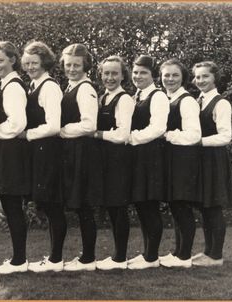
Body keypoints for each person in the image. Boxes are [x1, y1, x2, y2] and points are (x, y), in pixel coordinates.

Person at [0, 41, 31, 274]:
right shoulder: (6, 84)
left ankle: (19, 260)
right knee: (11, 207)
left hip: (11, 154)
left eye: (0, 60)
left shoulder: (13, 86)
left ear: (13, 60)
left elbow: (17, 123)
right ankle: (18, 259)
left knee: (13, 207)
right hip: (6, 152)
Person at [21, 41, 65, 273]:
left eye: (34, 63)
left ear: (44, 62)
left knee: (52, 205)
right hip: (37, 152)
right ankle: (54, 257)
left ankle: (56, 259)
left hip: (49, 152)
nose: (30, 67)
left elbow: (54, 126)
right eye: (26, 63)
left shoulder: (49, 87)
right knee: (47, 205)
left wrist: (26, 134)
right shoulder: (33, 84)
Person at [59, 43, 102, 272]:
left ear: (85, 65)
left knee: (84, 205)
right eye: (68, 65)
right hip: (72, 152)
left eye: (77, 65)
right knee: (79, 206)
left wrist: (62, 131)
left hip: (82, 153)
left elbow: (89, 125)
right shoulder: (70, 87)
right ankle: (87, 256)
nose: (72, 69)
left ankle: (88, 258)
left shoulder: (86, 89)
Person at [159, 58, 202, 268]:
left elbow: (193, 135)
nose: (170, 79)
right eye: (166, 75)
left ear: (183, 77)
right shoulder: (166, 99)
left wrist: (167, 135)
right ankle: (178, 252)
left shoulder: (187, 101)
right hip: (171, 159)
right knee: (175, 206)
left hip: (184, 161)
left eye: (175, 75)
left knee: (181, 206)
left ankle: (184, 257)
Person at [127, 55, 169, 269]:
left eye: (143, 72)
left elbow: (158, 128)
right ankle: (147, 254)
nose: (138, 76)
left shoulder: (158, 96)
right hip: (137, 157)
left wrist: (131, 138)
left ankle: (151, 257)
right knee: (142, 204)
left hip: (151, 156)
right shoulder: (137, 95)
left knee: (150, 205)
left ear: (153, 75)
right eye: (135, 72)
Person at [191, 61, 232, 266]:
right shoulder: (196, 100)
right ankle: (208, 252)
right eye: (198, 77)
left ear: (214, 78)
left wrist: (199, 141)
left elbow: (226, 136)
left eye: (205, 76)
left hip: (214, 160)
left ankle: (216, 256)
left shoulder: (221, 103)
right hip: (200, 160)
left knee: (213, 206)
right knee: (205, 206)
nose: (201, 81)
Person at [94, 55, 135, 270]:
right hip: (104, 160)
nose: (109, 77)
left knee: (118, 208)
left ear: (122, 75)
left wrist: (97, 134)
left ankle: (120, 258)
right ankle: (118, 256)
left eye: (114, 73)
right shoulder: (103, 98)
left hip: (118, 160)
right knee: (111, 207)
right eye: (106, 73)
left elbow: (122, 135)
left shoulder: (124, 99)